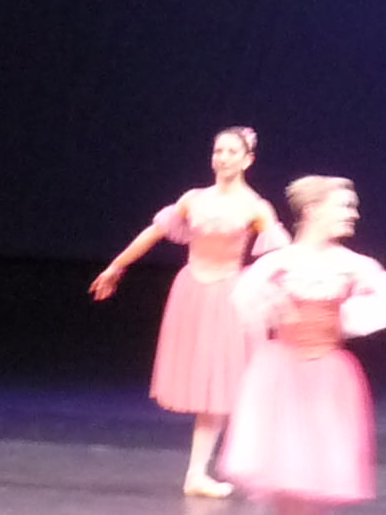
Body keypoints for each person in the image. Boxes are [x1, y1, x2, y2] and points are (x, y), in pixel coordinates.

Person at [223, 177, 386, 515]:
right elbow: (244, 298)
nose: (353, 213)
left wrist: (348, 319)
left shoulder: (354, 265)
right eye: (344, 205)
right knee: (287, 475)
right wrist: (270, 308)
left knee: (309, 476)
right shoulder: (278, 264)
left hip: (326, 375)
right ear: (312, 210)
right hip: (281, 372)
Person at [90, 128, 285, 496]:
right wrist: (117, 266)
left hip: (231, 296)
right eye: (218, 151)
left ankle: (253, 467)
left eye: (231, 152)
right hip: (194, 292)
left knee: (236, 385)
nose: (222, 157)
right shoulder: (194, 199)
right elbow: (153, 233)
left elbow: (280, 258)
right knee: (212, 385)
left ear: (248, 160)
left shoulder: (256, 207)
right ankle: (197, 474)